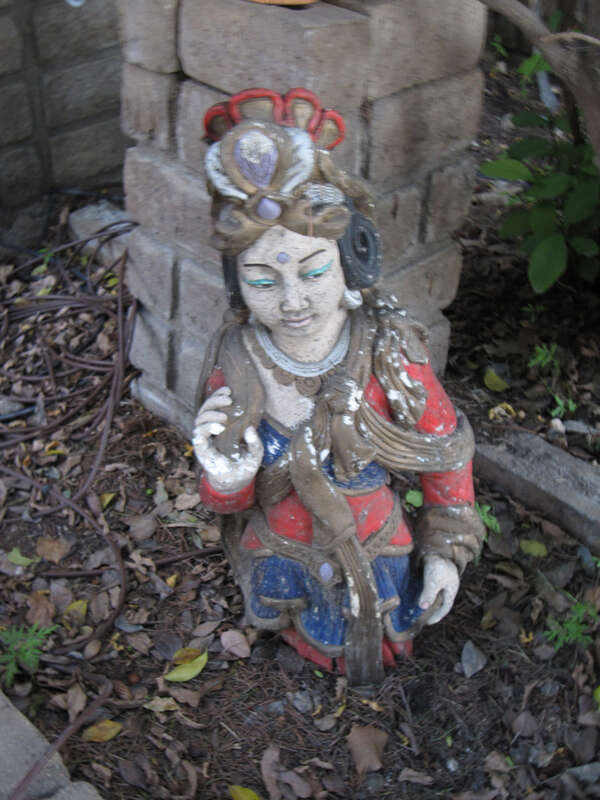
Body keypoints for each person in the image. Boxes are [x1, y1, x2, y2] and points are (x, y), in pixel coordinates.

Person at [193, 88, 485, 686]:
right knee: (303, 627)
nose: (293, 300)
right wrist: (225, 474)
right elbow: (227, 499)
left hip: (373, 539)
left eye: (314, 270)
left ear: (352, 260)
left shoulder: (388, 351)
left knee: (378, 629)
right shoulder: (238, 362)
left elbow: (443, 451)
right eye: (262, 279)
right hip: (283, 541)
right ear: (236, 283)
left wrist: (445, 550)